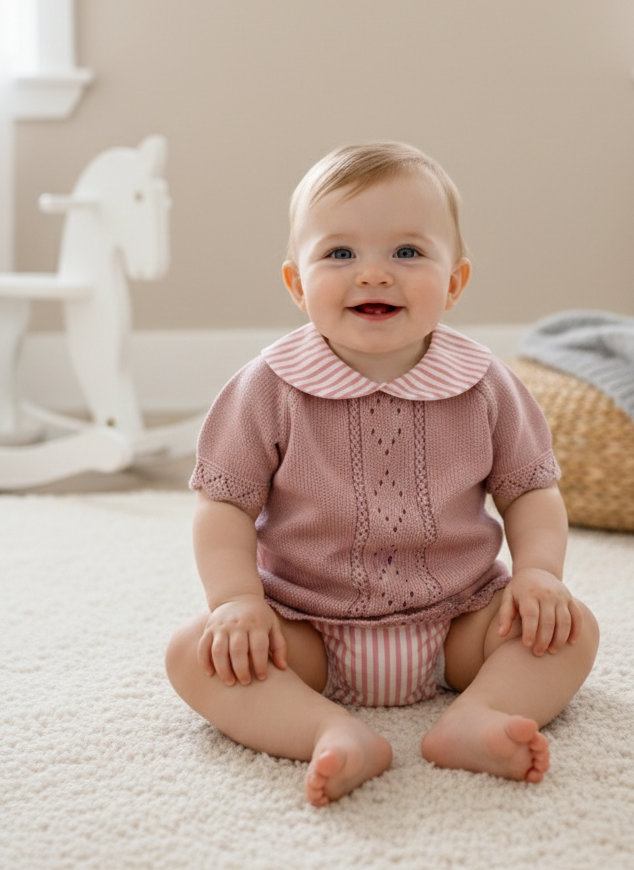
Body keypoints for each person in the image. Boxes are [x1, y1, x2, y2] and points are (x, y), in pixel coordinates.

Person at [165, 142, 600, 807]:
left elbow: (531, 492)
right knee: (194, 654)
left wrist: (540, 575)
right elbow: (221, 506)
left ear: (454, 283)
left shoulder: (485, 384)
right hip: (304, 628)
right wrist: (236, 603)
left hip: (461, 620)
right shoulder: (267, 387)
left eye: (407, 252)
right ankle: (328, 730)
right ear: (296, 284)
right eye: (339, 254)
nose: (373, 274)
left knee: (571, 631)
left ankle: (476, 716)